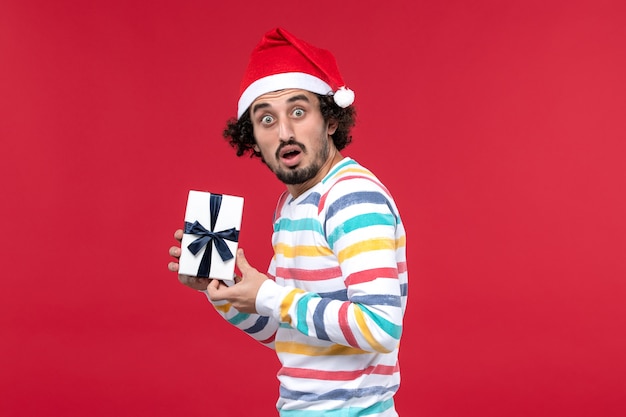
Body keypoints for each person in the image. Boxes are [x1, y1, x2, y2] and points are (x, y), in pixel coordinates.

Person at [168, 27, 408, 416]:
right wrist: (225, 290)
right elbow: (284, 331)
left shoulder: (350, 196)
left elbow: (380, 327)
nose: (284, 132)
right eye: (266, 119)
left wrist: (268, 294)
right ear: (253, 138)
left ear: (330, 119)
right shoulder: (292, 206)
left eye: (298, 112)